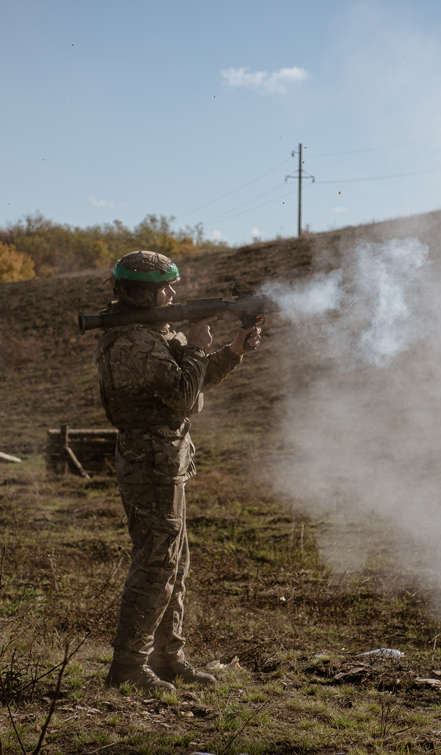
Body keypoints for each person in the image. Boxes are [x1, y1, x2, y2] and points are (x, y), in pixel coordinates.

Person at [95, 250, 261, 692]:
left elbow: (191, 380)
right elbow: (182, 395)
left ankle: (168, 658)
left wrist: (230, 353)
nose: (174, 294)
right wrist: (200, 348)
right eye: (165, 287)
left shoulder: (152, 335)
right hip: (151, 463)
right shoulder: (136, 343)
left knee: (174, 564)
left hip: (165, 460)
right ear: (143, 293)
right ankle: (128, 665)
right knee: (156, 564)